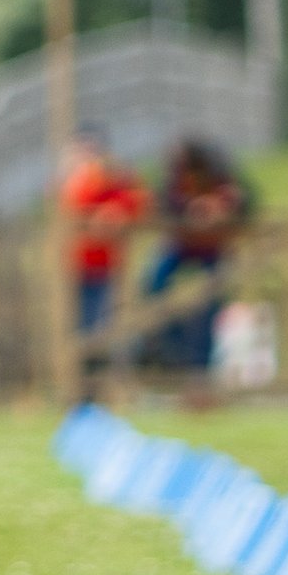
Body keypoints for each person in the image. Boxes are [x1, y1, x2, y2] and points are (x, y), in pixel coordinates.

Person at [141, 135, 250, 392]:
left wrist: (221, 206)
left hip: (212, 250)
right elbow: (162, 204)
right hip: (182, 246)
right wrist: (190, 207)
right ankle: (162, 346)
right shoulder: (176, 180)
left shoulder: (220, 177)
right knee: (154, 285)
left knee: (210, 306)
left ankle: (200, 369)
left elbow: (243, 202)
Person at [60, 124, 148, 362]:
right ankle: (84, 369)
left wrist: (115, 210)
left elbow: (137, 199)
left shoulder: (116, 176)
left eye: (92, 150)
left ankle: (105, 367)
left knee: (109, 322)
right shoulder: (74, 180)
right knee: (80, 324)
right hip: (76, 264)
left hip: (109, 265)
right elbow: (72, 204)